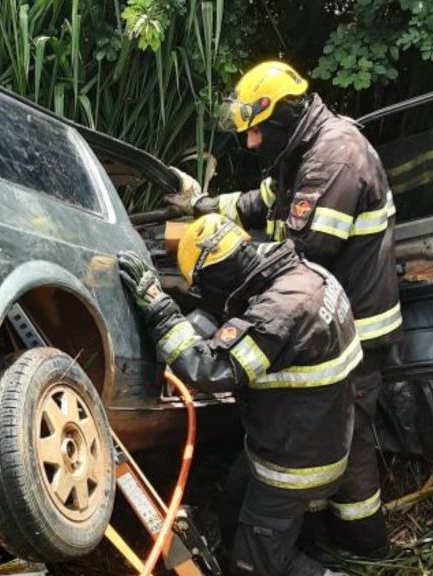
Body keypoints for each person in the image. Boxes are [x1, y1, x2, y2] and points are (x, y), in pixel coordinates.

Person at [167, 61, 398, 556]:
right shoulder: (305, 150)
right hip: (326, 322)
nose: (251, 144)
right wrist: (205, 206)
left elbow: (300, 257)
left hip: (350, 328)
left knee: (345, 443)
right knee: (320, 440)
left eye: (256, 132)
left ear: (286, 117)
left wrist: (225, 271)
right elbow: (262, 202)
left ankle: (365, 548)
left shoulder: (334, 161)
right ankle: (312, 541)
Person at [118, 213, 357, 576]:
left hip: (292, 467)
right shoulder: (304, 275)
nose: (202, 293)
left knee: (256, 567)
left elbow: (212, 371)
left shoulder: (279, 311)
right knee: (233, 509)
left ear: (220, 271)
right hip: (307, 440)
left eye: (203, 284)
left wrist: (162, 312)